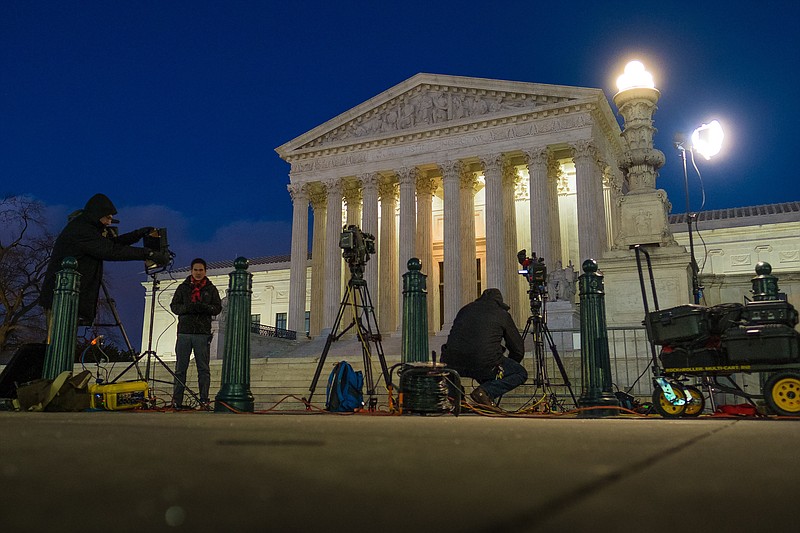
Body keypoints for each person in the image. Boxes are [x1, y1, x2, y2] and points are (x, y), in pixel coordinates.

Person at [40, 193, 169, 328]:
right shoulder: (82, 230)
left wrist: (137, 234)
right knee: (58, 341)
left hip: (65, 298)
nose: (109, 222)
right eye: (107, 218)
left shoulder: (84, 227)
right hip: (62, 299)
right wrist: (149, 253)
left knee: (62, 340)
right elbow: (110, 250)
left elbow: (111, 244)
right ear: (97, 214)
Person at [441, 288, 527, 407]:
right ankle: (484, 392)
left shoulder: (465, 310)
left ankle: (456, 398)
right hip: (485, 362)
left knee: (450, 363)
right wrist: (506, 366)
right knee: (520, 373)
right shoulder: (502, 314)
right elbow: (518, 349)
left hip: (453, 363)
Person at [169, 258, 222, 409]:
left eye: (201, 270)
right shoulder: (183, 288)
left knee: (203, 369)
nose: (198, 273)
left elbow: (217, 308)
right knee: (180, 369)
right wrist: (188, 308)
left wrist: (203, 307)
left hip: (202, 333)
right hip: (185, 332)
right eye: (196, 270)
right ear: (191, 271)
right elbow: (174, 306)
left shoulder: (211, 289)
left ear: (205, 271)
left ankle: (204, 400)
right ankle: (177, 401)